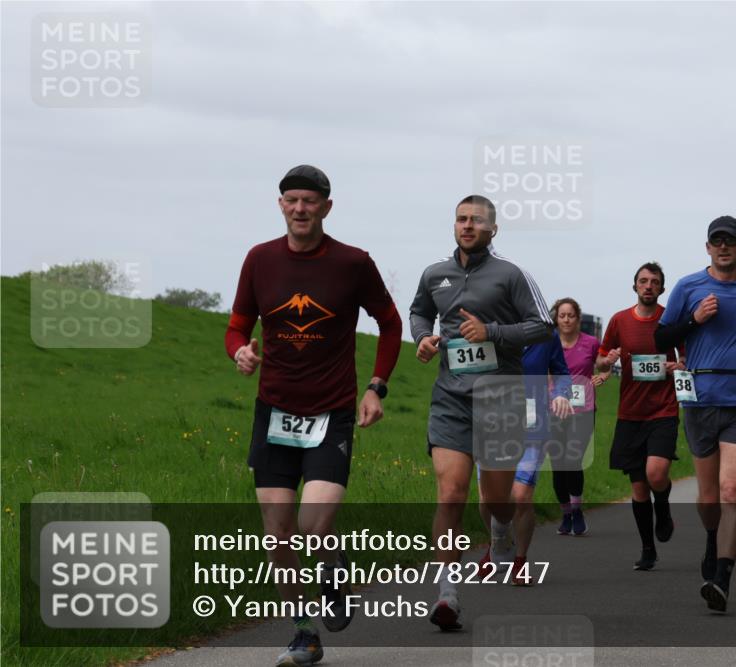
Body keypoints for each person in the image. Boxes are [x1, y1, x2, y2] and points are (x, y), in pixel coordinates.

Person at [226, 165, 402, 667]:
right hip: (274, 413)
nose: (299, 208)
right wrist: (238, 352)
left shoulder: (352, 263)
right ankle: (303, 634)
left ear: (327, 206)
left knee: (314, 527)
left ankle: (332, 567)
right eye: (291, 200)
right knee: (277, 533)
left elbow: (389, 327)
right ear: (280, 205)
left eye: (309, 201)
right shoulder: (259, 260)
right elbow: (237, 326)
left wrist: (375, 388)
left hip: (332, 414)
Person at [409, 194, 552, 630]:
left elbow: (542, 326)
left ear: (493, 229)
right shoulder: (435, 274)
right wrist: (424, 336)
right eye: (461, 219)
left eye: (476, 220)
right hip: (450, 398)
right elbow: (419, 311)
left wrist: (490, 331)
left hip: (501, 397)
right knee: (451, 493)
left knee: (495, 500)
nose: (467, 226)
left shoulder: (511, 275)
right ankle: (447, 594)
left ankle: (501, 532)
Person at [655, 215, 736, 613]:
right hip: (700, 400)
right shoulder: (688, 287)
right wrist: (694, 320)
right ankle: (712, 539)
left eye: (731, 241)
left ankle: (722, 577)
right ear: (708, 247)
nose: (723, 247)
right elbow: (661, 337)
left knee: (733, 491)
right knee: (709, 497)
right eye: (717, 241)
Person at [598, 262, 684, 571]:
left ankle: (663, 506)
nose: (648, 286)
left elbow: (687, 356)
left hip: (663, 409)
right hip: (630, 412)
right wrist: (606, 361)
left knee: (656, 474)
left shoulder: (670, 319)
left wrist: (679, 365)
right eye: (643, 281)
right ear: (634, 286)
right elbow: (602, 359)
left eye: (655, 282)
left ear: (662, 289)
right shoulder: (620, 320)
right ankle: (648, 548)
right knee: (637, 487)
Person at [476, 331, 573, 585]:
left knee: (520, 496)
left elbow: (562, 371)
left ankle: (519, 560)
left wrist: (561, 393)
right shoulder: (485, 328)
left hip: (532, 427)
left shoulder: (545, 335)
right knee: (487, 500)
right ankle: (497, 543)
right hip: (491, 424)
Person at [552, 297, 606, 536]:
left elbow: (604, 365)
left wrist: (603, 376)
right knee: (557, 465)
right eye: (562, 315)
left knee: (573, 458)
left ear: (577, 318)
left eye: (570, 315)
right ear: (556, 318)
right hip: (553, 410)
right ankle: (565, 512)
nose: (566, 319)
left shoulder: (591, 343)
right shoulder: (548, 343)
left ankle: (577, 510)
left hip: (582, 410)